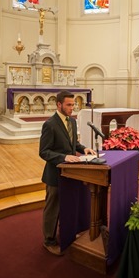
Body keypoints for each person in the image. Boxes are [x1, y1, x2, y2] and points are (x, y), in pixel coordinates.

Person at [39, 90, 96, 256]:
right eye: (69, 105)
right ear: (59, 104)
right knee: (53, 208)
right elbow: (44, 151)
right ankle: (48, 241)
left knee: (67, 205)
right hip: (54, 174)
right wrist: (63, 157)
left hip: (70, 173)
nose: (72, 108)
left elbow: (73, 143)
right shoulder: (50, 124)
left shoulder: (72, 121)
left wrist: (83, 148)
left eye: (73, 104)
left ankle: (67, 233)